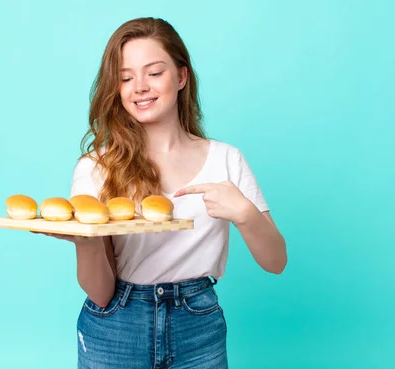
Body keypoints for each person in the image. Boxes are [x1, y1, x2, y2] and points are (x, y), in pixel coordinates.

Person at [38, 17, 287, 368]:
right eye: (126, 78)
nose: (139, 87)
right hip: (116, 327)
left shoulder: (227, 160)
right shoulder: (95, 168)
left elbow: (276, 262)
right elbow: (100, 293)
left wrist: (245, 214)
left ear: (181, 76)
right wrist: (87, 241)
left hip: (198, 324)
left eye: (154, 73)